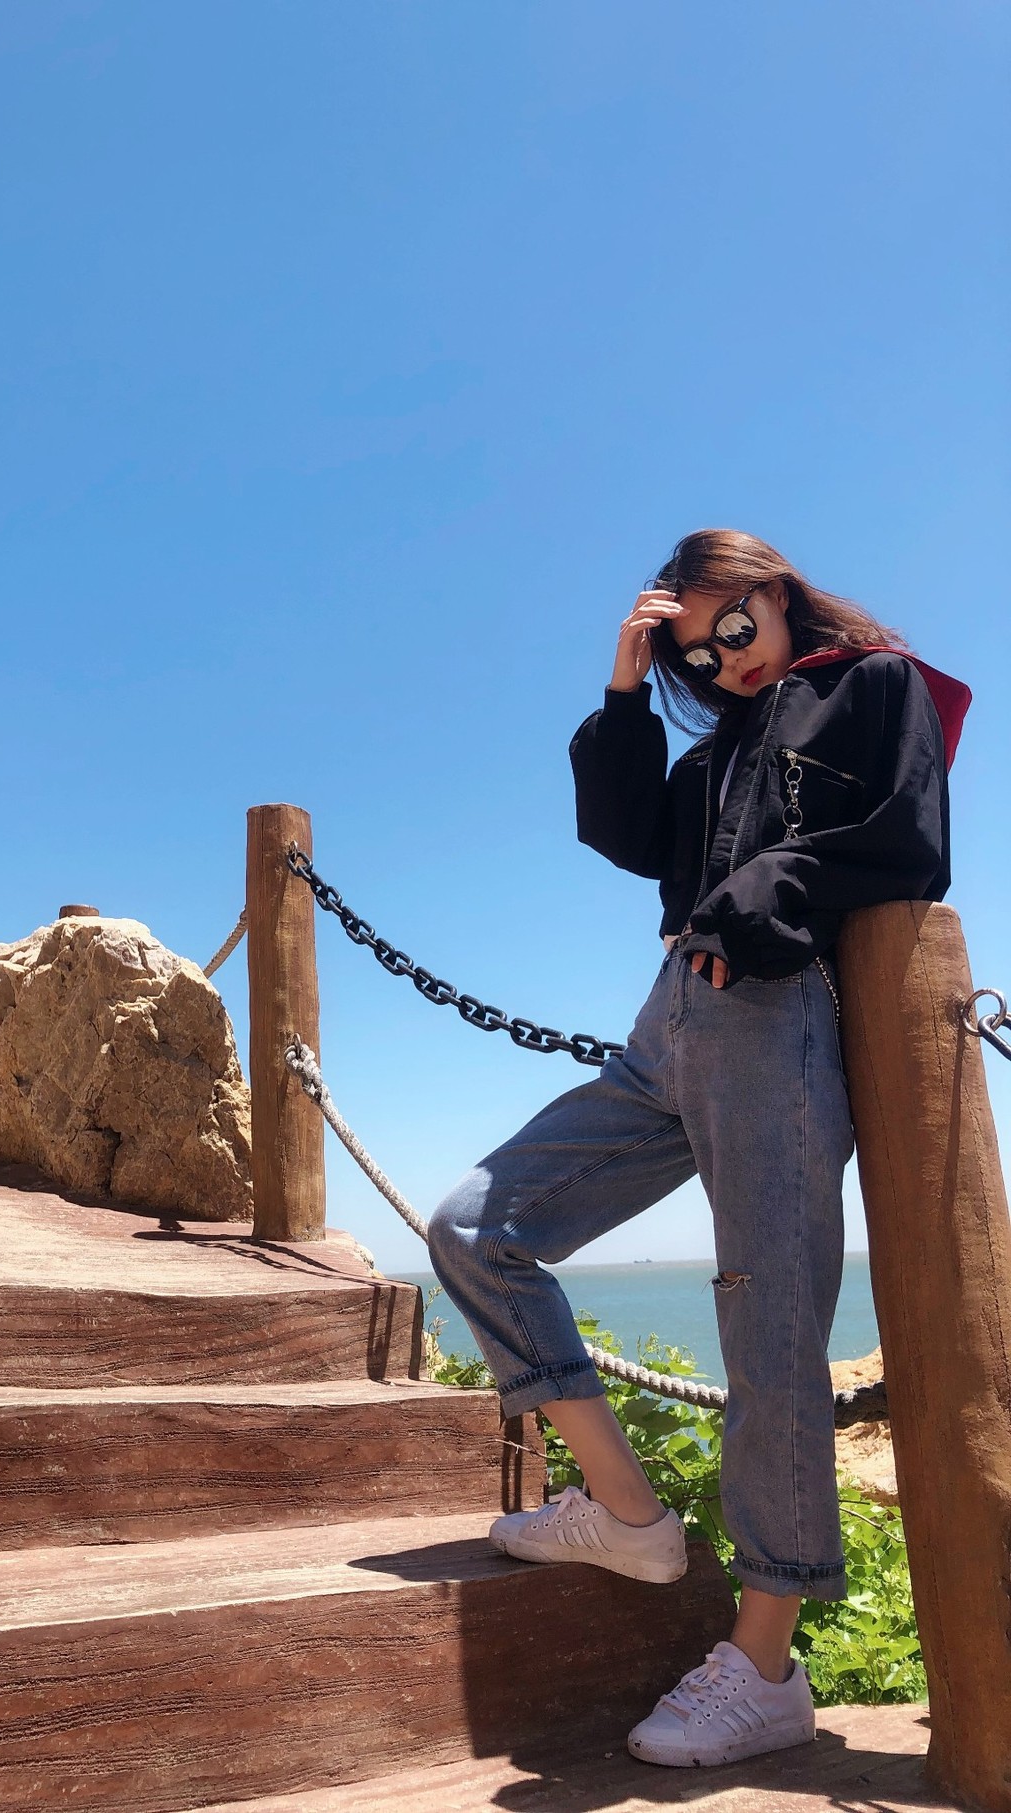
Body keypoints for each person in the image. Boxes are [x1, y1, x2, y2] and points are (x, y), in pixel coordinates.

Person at [427, 527, 971, 1769]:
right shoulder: (714, 749)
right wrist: (625, 692)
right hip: (665, 1022)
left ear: (775, 592)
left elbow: (904, 837)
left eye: (733, 625)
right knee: (474, 1227)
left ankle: (765, 1665)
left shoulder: (872, 684)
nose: (723, 660)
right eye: (695, 652)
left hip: (772, 1010)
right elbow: (627, 835)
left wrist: (755, 903)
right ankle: (626, 1512)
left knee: (766, 1327)